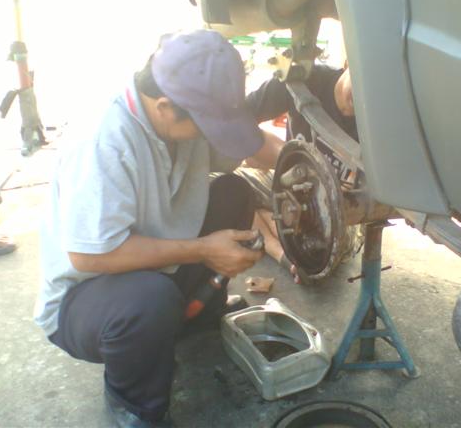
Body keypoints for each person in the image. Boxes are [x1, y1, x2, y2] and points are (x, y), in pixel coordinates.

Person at [34, 30, 282, 428]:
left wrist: (306, 166)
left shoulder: (182, 113)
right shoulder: (103, 141)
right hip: (88, 298)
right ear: (165, 107)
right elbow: (91, 255)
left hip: (155, 264)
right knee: (149, 300)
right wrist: (205, 249)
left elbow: (252, 145)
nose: (210, 135)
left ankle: (196, 316)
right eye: (207, 126)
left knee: (234, 193)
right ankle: (133, 405)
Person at [238, 63, 360, 284]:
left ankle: (281, 238)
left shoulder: (378, 122)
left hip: (336, 208)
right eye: (361, 81)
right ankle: (282, 251)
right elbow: (241, 115)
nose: (363, 95)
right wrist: (275, 152)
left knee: (320, 255)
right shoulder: (305, 80)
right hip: (287, 187)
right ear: (348, 63)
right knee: (228, 188)